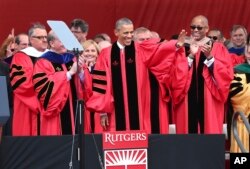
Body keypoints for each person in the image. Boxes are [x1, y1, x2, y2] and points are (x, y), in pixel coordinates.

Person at [86, 17, 186, 133]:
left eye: (131, 32)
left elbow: (159, 50)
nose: (129, 36)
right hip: (114, 112)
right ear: (116, 32)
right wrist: (102, 110)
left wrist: (177, 45)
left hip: (139, 111)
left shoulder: (141, 50)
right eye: (126, 33)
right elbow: (100, 83)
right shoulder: (106, 54)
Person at [171, 15, 234, 134]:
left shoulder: (217, 48)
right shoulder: (183, 48)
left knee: (208, 136)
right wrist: (190, 57)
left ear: (207, 29)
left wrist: (210, 57)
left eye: (199, 27)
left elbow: (226, 76)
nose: (195, 30)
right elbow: (174, 75)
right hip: (186, 101)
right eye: (193, 27)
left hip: (209, 102)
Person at [32, 31, 91, 135]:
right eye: (61, 40)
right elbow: (43, 89)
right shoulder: (43, 62)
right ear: (52, 43)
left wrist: (81, 72)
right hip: (57, 116)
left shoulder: (73, 58)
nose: (65, 43)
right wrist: (69, 74)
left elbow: (88, 86)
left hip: (77, 111)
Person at [10, 23, 48, 136]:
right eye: (40, 37)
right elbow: (20, 83)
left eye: (46, 37)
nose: (44, 40)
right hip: (28, 106)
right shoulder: (20, 57)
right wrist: (41, 101)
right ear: (31, 39)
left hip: (49, 108)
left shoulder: (52, 56)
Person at [133, 27, 170, 134]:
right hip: (138, 101)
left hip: (157, 99)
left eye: (148, 39)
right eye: (141, 40)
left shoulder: (161, 56)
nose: (146, 42)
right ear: (134, 41)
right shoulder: (128, 58)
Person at [229, 34, 250, 152]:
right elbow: (240, 99)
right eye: (249, 45)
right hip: (243, 128)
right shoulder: (237, 71)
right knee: (241, 160)